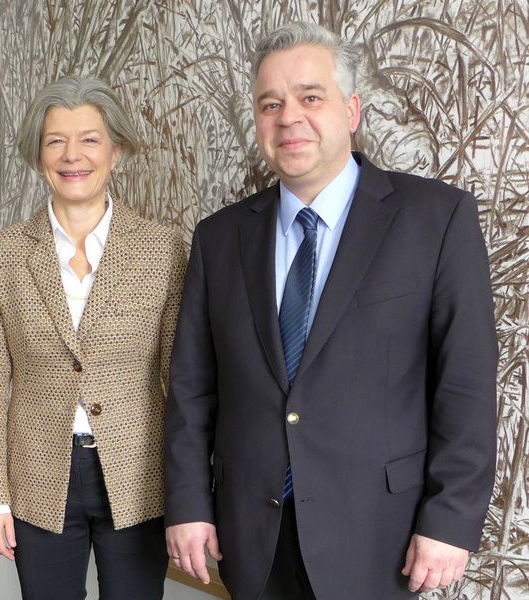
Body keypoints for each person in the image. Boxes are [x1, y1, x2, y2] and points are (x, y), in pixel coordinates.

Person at [163, 21, 497, 600]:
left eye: (310, 97)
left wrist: (450, 520)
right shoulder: (219, 239)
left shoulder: (436, 219)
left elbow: (466, 384)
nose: (289, 117)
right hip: (252, 536)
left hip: (380, 537)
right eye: (271, 104)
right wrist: (189, 504)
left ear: (352, 110)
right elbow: (192, 387)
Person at [0, 75, 186, 599]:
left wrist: (192, 492)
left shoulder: (165, 249)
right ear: (38, 155)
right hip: (39, 472)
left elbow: (182, 383)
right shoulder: (1, 254)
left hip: (139, 473)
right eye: (55, 140)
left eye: (89, 139)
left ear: (116, 150)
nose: (73, 156)